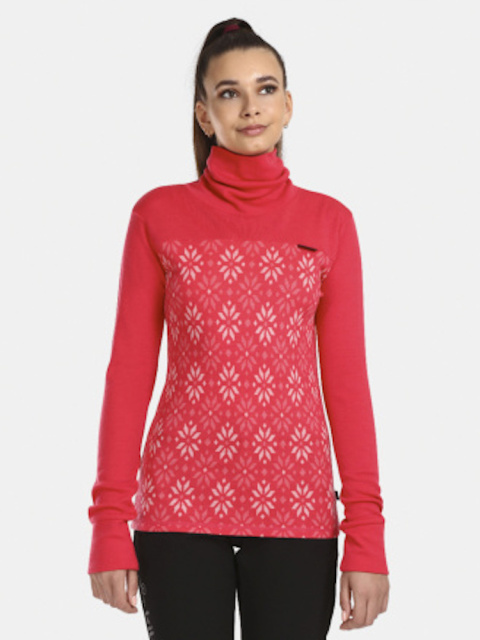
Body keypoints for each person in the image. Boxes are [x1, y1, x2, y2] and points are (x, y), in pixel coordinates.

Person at [87, 17, 390, 639]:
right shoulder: (157, 215)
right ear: (204, 115)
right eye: (229, 92)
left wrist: (367, 536)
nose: (251, 106)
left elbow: (347, 383)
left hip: (297, 508)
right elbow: (129, 372)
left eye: (265, 88)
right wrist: (108, 523)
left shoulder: (330, 222)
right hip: (177, 509)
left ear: (288, 105)